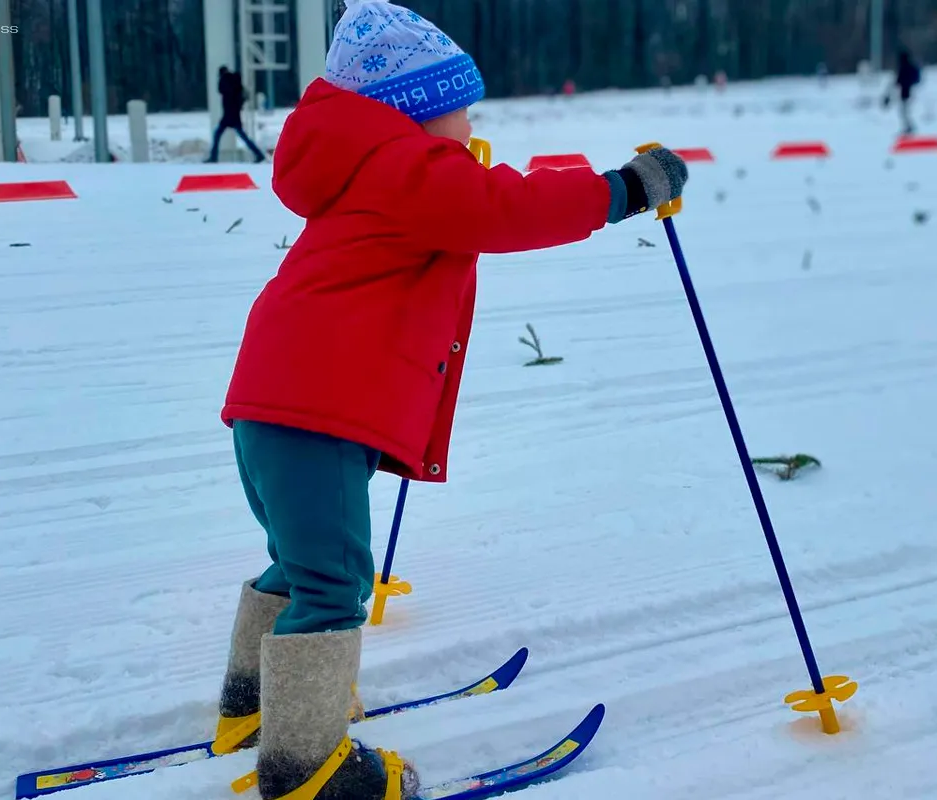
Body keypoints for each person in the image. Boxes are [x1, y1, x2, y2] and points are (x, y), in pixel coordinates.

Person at [213, 1, 688, 798]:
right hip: (312, 415)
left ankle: (256, 709)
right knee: (332, 585)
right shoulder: (412, 172)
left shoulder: (366, 168)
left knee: (298, 567)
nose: (470, 126)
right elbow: (509, 209)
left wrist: (454, 164)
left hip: (274, 408)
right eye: (462, 111)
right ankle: (304, 769)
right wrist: (624, 190)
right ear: (420, 114)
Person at [205, 65, 266, 163]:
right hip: (234, 114)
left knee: (217, 135)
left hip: (228, 115)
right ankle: (258, 154)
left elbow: (221, 90)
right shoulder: (235, 83)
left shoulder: (225, 82)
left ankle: (213, 157)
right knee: (242, 137)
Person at [887, 48, 922, 135]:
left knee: (904, 111)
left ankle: (909, 127)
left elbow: (897, 81)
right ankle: (908, 127)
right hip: (909, 92)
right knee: (905, 111)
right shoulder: (909, 67)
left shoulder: (903, 68)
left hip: (906, 93)